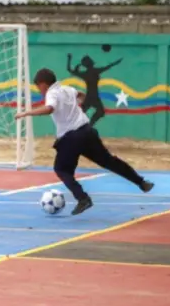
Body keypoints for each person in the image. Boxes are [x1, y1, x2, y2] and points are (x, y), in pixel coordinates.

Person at [15, 68, 154, 215]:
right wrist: (81, 105)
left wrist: (26, 113)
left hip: (71, 138)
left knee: (61, 169)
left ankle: (83, 198)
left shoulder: (52, 93)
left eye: (39, 87)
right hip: (87, 132)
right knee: (109, 161)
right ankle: (141, 182)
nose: (40, 91)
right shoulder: (67, 89)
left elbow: (50, 108)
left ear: (43, 84)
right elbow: (80, 95)